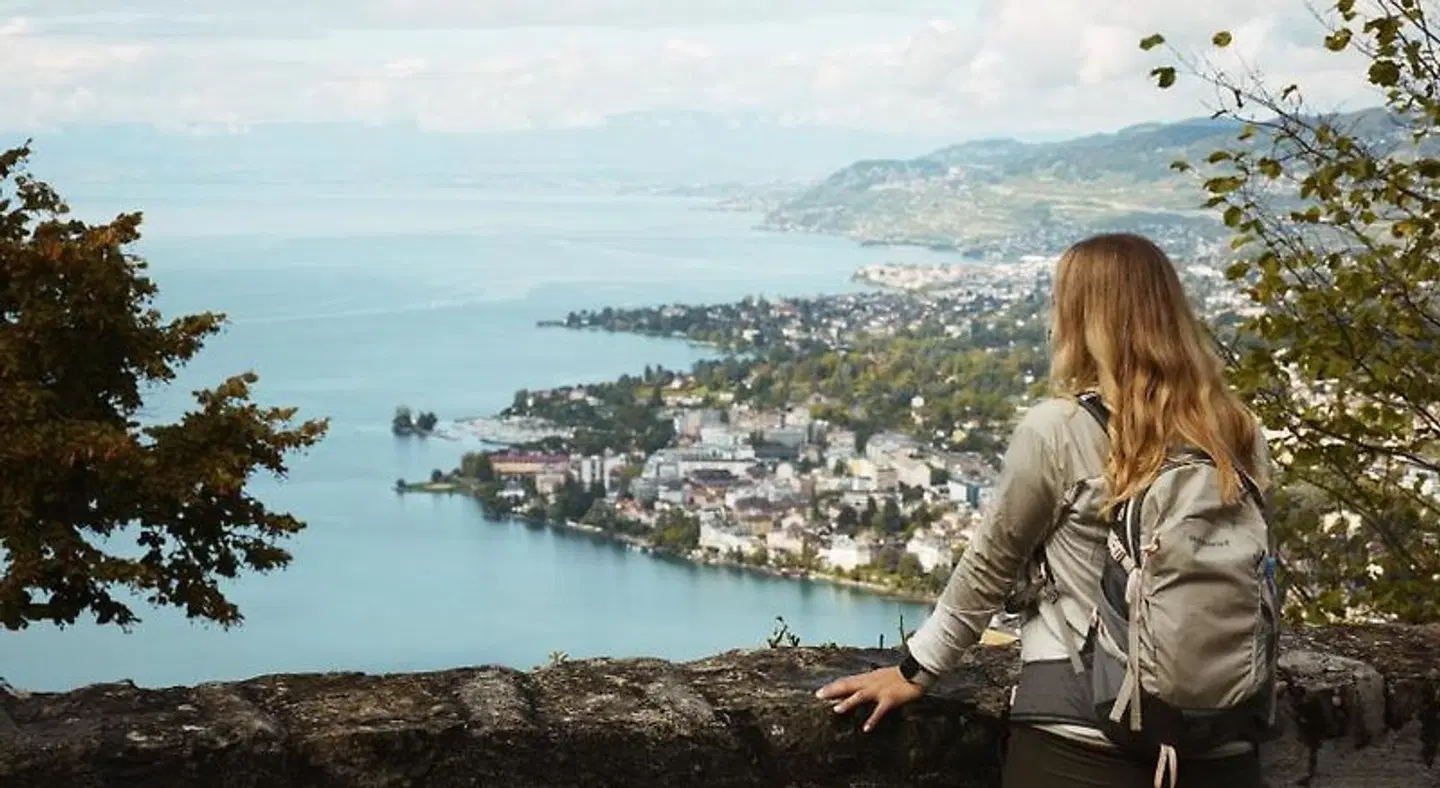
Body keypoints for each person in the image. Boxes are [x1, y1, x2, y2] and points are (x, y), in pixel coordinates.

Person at [815, 233, 1273, 788]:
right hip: (1224, 737)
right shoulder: (1237, 431)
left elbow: (989, 566)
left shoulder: (1059, 430)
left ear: (1081, 317)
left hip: (1080, 736)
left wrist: (915, 670)